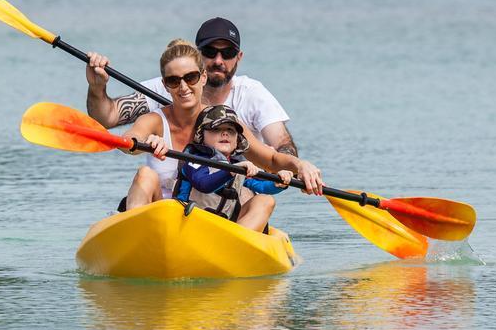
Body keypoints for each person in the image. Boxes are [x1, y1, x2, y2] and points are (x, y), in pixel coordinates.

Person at [120, 39, 323, 210]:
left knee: (263, 201)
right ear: (165, 85)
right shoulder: (154, 120)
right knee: (145, 174)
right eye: (174, 81)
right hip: (163, 214)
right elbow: (129, 141)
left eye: (191, 78)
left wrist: (300, 165)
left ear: (203, 77)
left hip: (207, 218)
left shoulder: (225, 121)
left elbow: (270, 159)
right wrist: (146, 142)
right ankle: (136, 242)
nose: (183, 87)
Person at [85, 17, 303, 158]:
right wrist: (97, 87)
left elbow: (281, 146)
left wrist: (290, 167)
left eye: (227, 54)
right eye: (210, 52)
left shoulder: (252, 94)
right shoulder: (167, 86)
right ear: (197, 55)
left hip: (234, 196)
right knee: (146, 177)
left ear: (239, 57)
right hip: (174, 199)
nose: (218, 60)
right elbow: (107, 118)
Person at [173, 105, 294, 232]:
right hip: (188, 226)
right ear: (201, 135)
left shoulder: (239, 164)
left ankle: (238, 241)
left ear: (237, 140)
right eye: (216, 129)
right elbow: (203, 184)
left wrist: (279, 182)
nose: (225, 133)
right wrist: (232, 170)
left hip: (223, 230)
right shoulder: (194, 159)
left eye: (231, 130)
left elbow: (262, 187)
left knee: (265, 200)